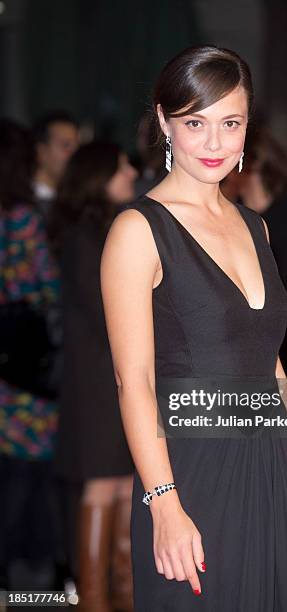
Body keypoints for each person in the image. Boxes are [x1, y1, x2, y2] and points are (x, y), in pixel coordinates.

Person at [101, 46, 287, 611]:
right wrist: (165, 504)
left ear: (248, 129)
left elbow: (270, 373)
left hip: (268, 473)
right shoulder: (138, 230)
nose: (213, 143)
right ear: (163, 122)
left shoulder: (257, 228)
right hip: (190, 476)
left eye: (230, 124)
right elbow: (134, 384)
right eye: (195, 123)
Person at [49, 142, 137, 612]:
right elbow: (106, 312)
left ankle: (122, 592)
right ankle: (94, 598)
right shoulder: (88, 236)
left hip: (112, 377)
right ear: (97, 175)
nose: (131, 170)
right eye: (122, 165)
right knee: (104, 482)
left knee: (123, 481)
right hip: (98, 383)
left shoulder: (102, 229)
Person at [0, 119, 60, 587]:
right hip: (22, 358)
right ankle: (31, 586)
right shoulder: (20, 217)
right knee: (30, 472)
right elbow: (45, 286)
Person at [238, 126, 287, 375]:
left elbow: (285, 279)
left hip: (286, 332)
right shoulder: (234, 212)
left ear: (254, 164)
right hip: (245, 336)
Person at [33, 111, 80, 221]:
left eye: (77, 147)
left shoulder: (75, 201)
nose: (75, 154)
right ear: (40, 151)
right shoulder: (22, 205)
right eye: (66, 145)